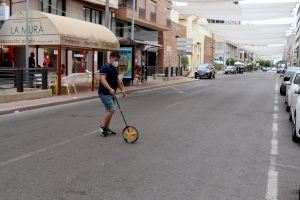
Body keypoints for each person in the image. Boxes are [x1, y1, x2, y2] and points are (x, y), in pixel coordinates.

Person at [98, 51, 126, 137]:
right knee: (111, 109)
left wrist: (122, 89)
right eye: (116, 59)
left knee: (110, 110)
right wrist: (110, 89)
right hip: (105, 93)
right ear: (112, 57)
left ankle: (106, 128)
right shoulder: (104, 67)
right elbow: (103, 80)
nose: (117, 61)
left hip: (112, 93)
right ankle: (102, 128)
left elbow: (117, 80)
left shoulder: (113, 68)